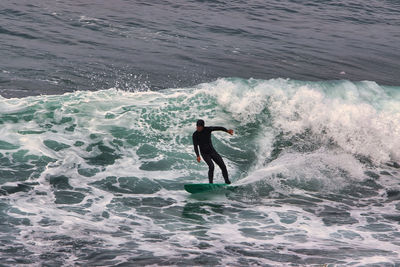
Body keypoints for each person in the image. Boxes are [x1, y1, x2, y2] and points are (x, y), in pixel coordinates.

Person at [192, 119, 233, 184]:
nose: (198, 128)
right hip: (204, 153)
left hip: (212, 151)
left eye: (199, 126)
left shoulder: (208, 129)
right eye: (197, 126)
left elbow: (219, 128)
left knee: (222, 165)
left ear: (203, 126)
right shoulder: (195, 135)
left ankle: (227, 181)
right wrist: (198, 155)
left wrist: (227, 131)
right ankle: (210, 183)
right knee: (211, 166)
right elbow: (195, 146)